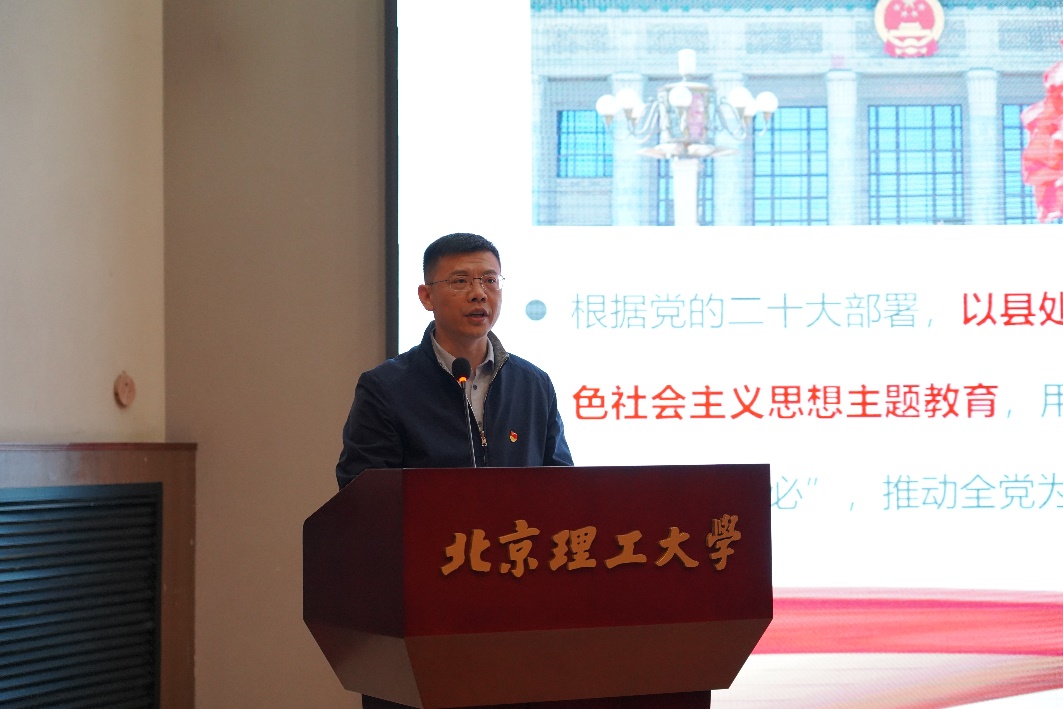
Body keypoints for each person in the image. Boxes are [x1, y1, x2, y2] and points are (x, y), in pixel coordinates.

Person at [336, 232, 573, 490]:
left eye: (490, 280)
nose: (479, 294)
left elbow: (562, 487)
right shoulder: (385, 388)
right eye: (460, 281)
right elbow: (363, 496)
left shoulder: (533, 384)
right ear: (427, 296)